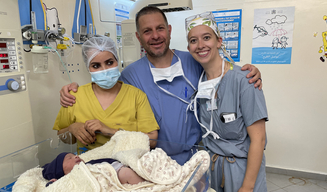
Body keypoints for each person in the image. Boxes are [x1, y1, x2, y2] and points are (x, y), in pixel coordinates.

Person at [59, 7, 262, 165]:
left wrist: (249, 71)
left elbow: (221, 73)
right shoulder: (130, 75)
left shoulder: (193, 62)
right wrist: (73, 89)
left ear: (169, 30)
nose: (155, 36)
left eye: (160, 28)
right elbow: (106, 86)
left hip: (196, 156)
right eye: (147, 31)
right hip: (149, 160)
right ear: (139, 37)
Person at [186, 12, 268, 192]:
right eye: (193, 40)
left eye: (206, 37)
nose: (200, 45)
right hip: (211, 168)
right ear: (189, 47)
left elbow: (259, 139)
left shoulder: (245, 80)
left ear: (219, 41)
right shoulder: (197, 82)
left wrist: (246, 187)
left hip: (241, 170)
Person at [54, 36, 159, 154]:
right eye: (96, 66)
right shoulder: (75, 97)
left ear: (117, 61)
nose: (104, 70)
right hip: (89, 166)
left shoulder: (136, 96)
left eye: (109, 63)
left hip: (128, 164)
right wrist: (71, 129)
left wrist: (110, 131)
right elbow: (62, 137)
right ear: (88, 68)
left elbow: (153, 139)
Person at [42, 152, 145, 187]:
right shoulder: (67, 180)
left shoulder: (88, 165)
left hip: (114, 175)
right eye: (69, 158)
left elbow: (108, 162)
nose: (76, 156)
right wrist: (54, 182)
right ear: (61, 170)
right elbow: (55, 188)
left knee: (126, 173)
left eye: (74, 155)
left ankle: (146, 186)